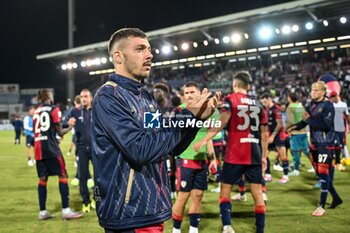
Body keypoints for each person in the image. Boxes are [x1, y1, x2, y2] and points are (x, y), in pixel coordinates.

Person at [91, 28, 220, 233]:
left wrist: (196, 120)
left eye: (149, 49)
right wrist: (187, 115)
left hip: (150, 206)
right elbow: (140, 149)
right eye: (140, 49)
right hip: (129, 211)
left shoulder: (146, 97)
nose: (149, 55)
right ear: (118, 56)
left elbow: (170, 146)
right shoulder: (109, 96)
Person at [193, 71, 268, 233]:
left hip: (235, 154)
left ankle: (227, 226)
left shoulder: (230, 99)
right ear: (248, 86)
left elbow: (223, 121)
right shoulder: (259, 104)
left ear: (235, 85)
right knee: (258, 194)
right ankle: (260, 230)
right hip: (254, 154)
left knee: (225, 191)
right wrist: (264, 156)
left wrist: (205, 139)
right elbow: (264, 133)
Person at [287, 81, 343, 216]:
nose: (313, 92)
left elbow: (326, 125)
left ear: (323, 92)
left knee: (323, 175)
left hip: (325, 144)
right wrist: (293, 127)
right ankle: (336, 198)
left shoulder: (328, 105)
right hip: (314, 144)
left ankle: (322, 206)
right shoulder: (311, 105)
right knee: (321, 174)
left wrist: (308, 120)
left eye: (316, 90)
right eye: (312, 89)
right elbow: (305, 121)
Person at [172, 82, 217, 233]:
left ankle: (193, 229)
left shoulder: (206, 111)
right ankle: (176, 230)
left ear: (199, 94)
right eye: (186, 93)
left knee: (198, 195)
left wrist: (213, 158)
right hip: (184, 160)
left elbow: (208, 136)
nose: (189, 95)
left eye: (192, 92)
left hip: (201, 160)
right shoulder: (179, 111)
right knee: (183, 196)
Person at [33, 89, 83, 220]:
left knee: (42, 179)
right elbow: (60, 132)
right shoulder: (54, 109)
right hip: (51, 149)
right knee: (63, 175)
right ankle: (66, 210)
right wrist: (71, 126)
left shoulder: (36, 111)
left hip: (38, 148)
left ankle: (42, 212)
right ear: (49, 96)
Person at [68, 89, 95, 212]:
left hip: (96, 149)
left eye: (86, 96)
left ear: (91, 98)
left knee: (99, 177)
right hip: (82, 149)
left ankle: (96, 199)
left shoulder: (97, 111)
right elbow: (64, 122)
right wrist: (68, 122)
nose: (83, 98)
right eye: (81, 96)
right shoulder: (75, 112)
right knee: (82, 177)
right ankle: (86, 202)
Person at [153, 82, 177, 199]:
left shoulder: (173, 110)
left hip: (171, 145)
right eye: (155, 91)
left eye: (159, 91)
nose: (156, 93)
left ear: (165, 94)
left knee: (171, 169)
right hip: (157, 146)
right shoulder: (151, 110)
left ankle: (172, 188)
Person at [260, 93, 289, 183]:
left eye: (265, 102)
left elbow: (280, 124)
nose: (264, 104)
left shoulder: (276, 109)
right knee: (264, 155)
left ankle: (285, 176)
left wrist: (272, 136)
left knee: (283, 157)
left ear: (269, 99)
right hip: (269, 136)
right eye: (263, 103)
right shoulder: (265, 109)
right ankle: (268, 175)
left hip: (278, 136)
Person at [285, 92, 310, 176]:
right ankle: (315, 166)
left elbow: (291, 121)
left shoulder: (290, 107)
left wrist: (286, 128)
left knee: (295, 151)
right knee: (306, 150)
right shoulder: (300, 106)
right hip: (303, 130)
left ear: (289, 98)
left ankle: (296, 170)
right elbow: (305, 117)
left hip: (295, 132)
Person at [329, 91, 349, 171]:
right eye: (332, 97)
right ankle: (337, 163)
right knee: (336, 145)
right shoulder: (330, 105)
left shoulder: (343, 105)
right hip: (332, 129)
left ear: (337, 96)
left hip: (341, 129)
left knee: (340, 145)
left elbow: (347, 116)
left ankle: (337, 161)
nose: (334, 98)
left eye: (335, 96)